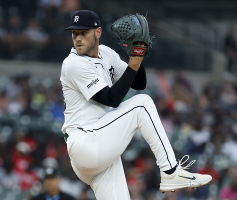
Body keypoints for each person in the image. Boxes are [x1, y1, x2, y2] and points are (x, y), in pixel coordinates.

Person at [60, 10, 212, 200]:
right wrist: (134, 61)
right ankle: (170, 170)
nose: (78, 38)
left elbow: (139, 83)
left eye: (84, 32)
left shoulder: (106, 53)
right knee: (142, 104)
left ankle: (171, 172)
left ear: (97, 32)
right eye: (75, 33)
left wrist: (136, 52)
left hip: (100, 147)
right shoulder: (73, 64)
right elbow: (111, 99)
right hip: (85, 142)